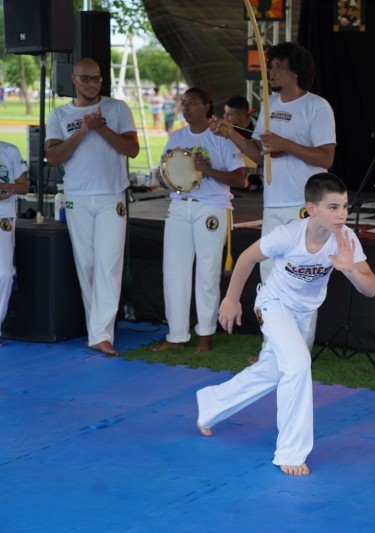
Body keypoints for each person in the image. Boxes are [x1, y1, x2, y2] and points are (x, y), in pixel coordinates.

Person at [196, 172, 375, 476]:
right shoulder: (287, 235)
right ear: (312, 208)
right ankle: (290, 452)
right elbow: (247, 258)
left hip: (303, 314)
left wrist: (349, 271)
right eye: (333, 207)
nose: (342, 214)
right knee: (297, 365)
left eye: (345, 206)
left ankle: (210, 405)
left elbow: (370, 288)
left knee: (271, 371)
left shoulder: (346, 239)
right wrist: (230, 299)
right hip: (272, 305)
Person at [211, 42, 336, 287]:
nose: (271, 72)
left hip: (304, 203)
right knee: (268, 271)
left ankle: (300, 327)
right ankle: (271, 325)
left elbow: (326, 158)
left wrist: (285, 144)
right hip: (273, 203)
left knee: (301, 273)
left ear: (295, 71)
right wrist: (230, 134)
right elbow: (259, 156)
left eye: (278, 66)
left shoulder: (316, 106)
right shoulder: (270, 104)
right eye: (271, 66)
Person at [45, 57, 140, 356]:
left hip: (111, 196)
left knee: (108, 265)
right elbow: (53, 157)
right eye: (85, 78)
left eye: (96, 79)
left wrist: (101, 129)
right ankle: (96, 330)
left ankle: (102, 335)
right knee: (86, 265)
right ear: (73, 79)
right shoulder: (59, 114)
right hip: (77, 196)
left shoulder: (116, 108)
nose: (91, 84)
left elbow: (132, 149)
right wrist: (84, 131)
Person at [150, 88, 247, 354]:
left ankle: (205, 334)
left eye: (192, 102)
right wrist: (163, 178)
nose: (185, 107)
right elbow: (166, 175)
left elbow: (241, 179)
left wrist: (208, 171)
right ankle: (176, 335)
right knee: (174, 271)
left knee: (207, 272)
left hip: (212, 207)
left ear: (207, 106)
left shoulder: (221, 137)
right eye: (183, 102)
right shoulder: (176, 137)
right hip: (180, 205)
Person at [0, 140, 28, 346]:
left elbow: (24, 187)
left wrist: (7, 187)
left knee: (5, 274)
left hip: (4, 218)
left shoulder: (9, 150)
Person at [222, 95, 260, 191]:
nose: (224, 117)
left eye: (229, 114)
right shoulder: (223, 130)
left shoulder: (260, 126)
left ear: (242, 116)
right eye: (225, 112)